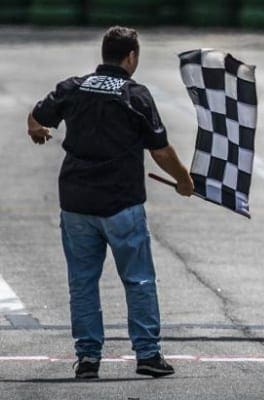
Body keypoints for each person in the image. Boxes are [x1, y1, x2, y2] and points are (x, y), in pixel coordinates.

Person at [26, 26, 193, 380]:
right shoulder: (136, 95)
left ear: (104, 54)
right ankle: (147, 354)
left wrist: (38, 131)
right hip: (121, 204)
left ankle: (88, 359)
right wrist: (183, 180)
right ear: (131, 57)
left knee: (83, 283)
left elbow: (37, 118)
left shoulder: (73, 87)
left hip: (76, 202)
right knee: (139, 279)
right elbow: (160, 151)